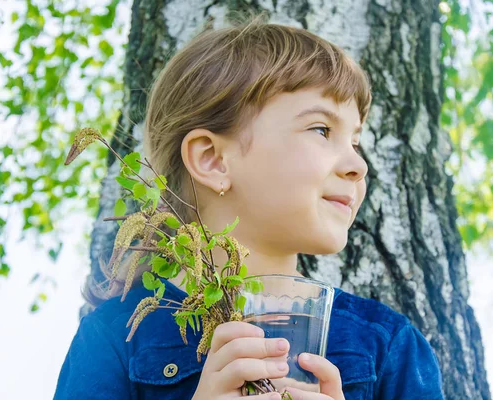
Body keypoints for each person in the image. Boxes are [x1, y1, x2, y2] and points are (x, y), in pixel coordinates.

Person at [54, 15, 445, 400]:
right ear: (212, 160)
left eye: (355, 142)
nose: (358, 166)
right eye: (322, 130)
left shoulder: (388, 345)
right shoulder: (115, 338)